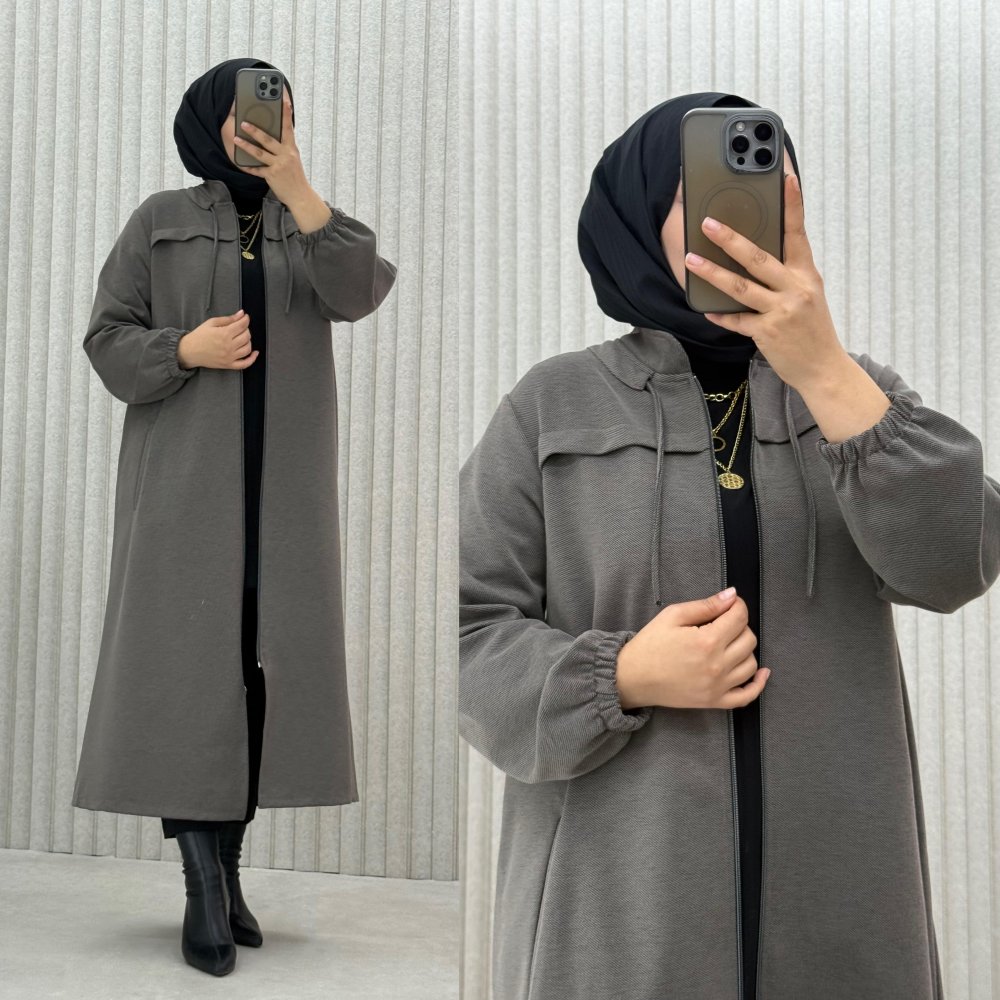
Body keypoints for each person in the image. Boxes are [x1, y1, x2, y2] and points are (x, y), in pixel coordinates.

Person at [459, 91, 1000, 1000]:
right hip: (617, 904)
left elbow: (958, 563)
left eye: (769, 182)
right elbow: (466, 636)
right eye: (707, 184)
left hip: (840, 898)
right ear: (639, 212)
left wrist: (823, 367)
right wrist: (620, 675)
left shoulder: (853, 391)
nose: (743, 211)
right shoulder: (550, 406)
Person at [73, 58, 396, 976]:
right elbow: (106, 339)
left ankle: (229, 870)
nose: (267, 120)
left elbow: (360, 290)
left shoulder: (311, 224)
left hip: (285, 503)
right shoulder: (159, 221)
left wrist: (300, 188)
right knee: (189, 678)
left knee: (261, 678)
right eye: (252, 108)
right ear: (211, 118)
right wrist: (185, 347)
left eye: (283, 108)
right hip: (184, 493)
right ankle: (201, 886)